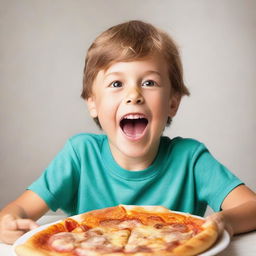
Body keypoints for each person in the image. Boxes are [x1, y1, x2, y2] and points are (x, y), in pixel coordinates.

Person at [0, 20, 255, 245]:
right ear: (93, 103)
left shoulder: (190, 159)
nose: (134, 95)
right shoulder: (80, 155)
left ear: (173, 103)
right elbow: (18, 209)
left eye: (149, 83)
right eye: (116, 83)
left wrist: (224, 221)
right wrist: (9, 222)